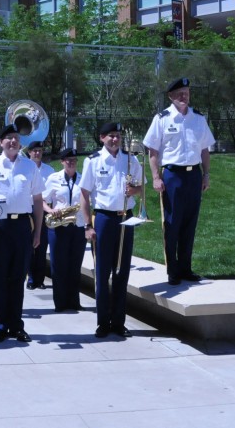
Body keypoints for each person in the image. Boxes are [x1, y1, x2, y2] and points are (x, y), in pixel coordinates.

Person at [0, 124, 44, 343]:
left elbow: (38, 201)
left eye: (15, 138)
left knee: (17, 277)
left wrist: (37, 232)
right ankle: (0, 325)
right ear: (1, 142)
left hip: (22, 225)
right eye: (8, 138)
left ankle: (16, 325)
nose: (12, 141)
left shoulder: (30, 166)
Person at [143, 77, 215, 286]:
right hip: (172, 176)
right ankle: (172, 270)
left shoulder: (198, 119)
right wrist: (156, 177)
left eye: (187, 92)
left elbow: (204, 149)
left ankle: (186, 268)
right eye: (180, 93)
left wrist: (206, 174)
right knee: (172, 223)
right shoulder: (162, 119)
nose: (185, 96)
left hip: (193, 175)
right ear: (171, 96)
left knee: (189, 223)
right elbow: (153, 151)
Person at [79, 122, 143, 338]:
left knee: (122, 271)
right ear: (102, 138)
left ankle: (118, 321)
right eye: (111, 136)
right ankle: (102, 322)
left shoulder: (130, 159)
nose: (115, 139)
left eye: (118, 136)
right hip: (104, 218)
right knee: (103, 271)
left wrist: (134, 190)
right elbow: (84, 195)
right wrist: (88, 225)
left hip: (126, 218)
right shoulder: (93, 161)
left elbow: (142, 189)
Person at [43, 148, 87, 312]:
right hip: (59, 226)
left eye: (74, 160)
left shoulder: (83, 179)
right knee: (59, 265)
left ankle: (74, 301)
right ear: (62, 162)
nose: (71, 163)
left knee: (75, 265)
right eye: (68, 160)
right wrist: (50, 210)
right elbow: (42, 200)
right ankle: (60, 303)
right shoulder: (53, 178)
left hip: (78, 226)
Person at [26, 140, 55, 290]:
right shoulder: (24, 168)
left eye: (40, 150)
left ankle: (40, 279)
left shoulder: (49, 170)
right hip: (28, 210)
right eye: (34, 150)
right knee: (30, 246)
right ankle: (31, 278)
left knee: (42, 246)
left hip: (44, 211)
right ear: (29, 152)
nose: (37, 153)